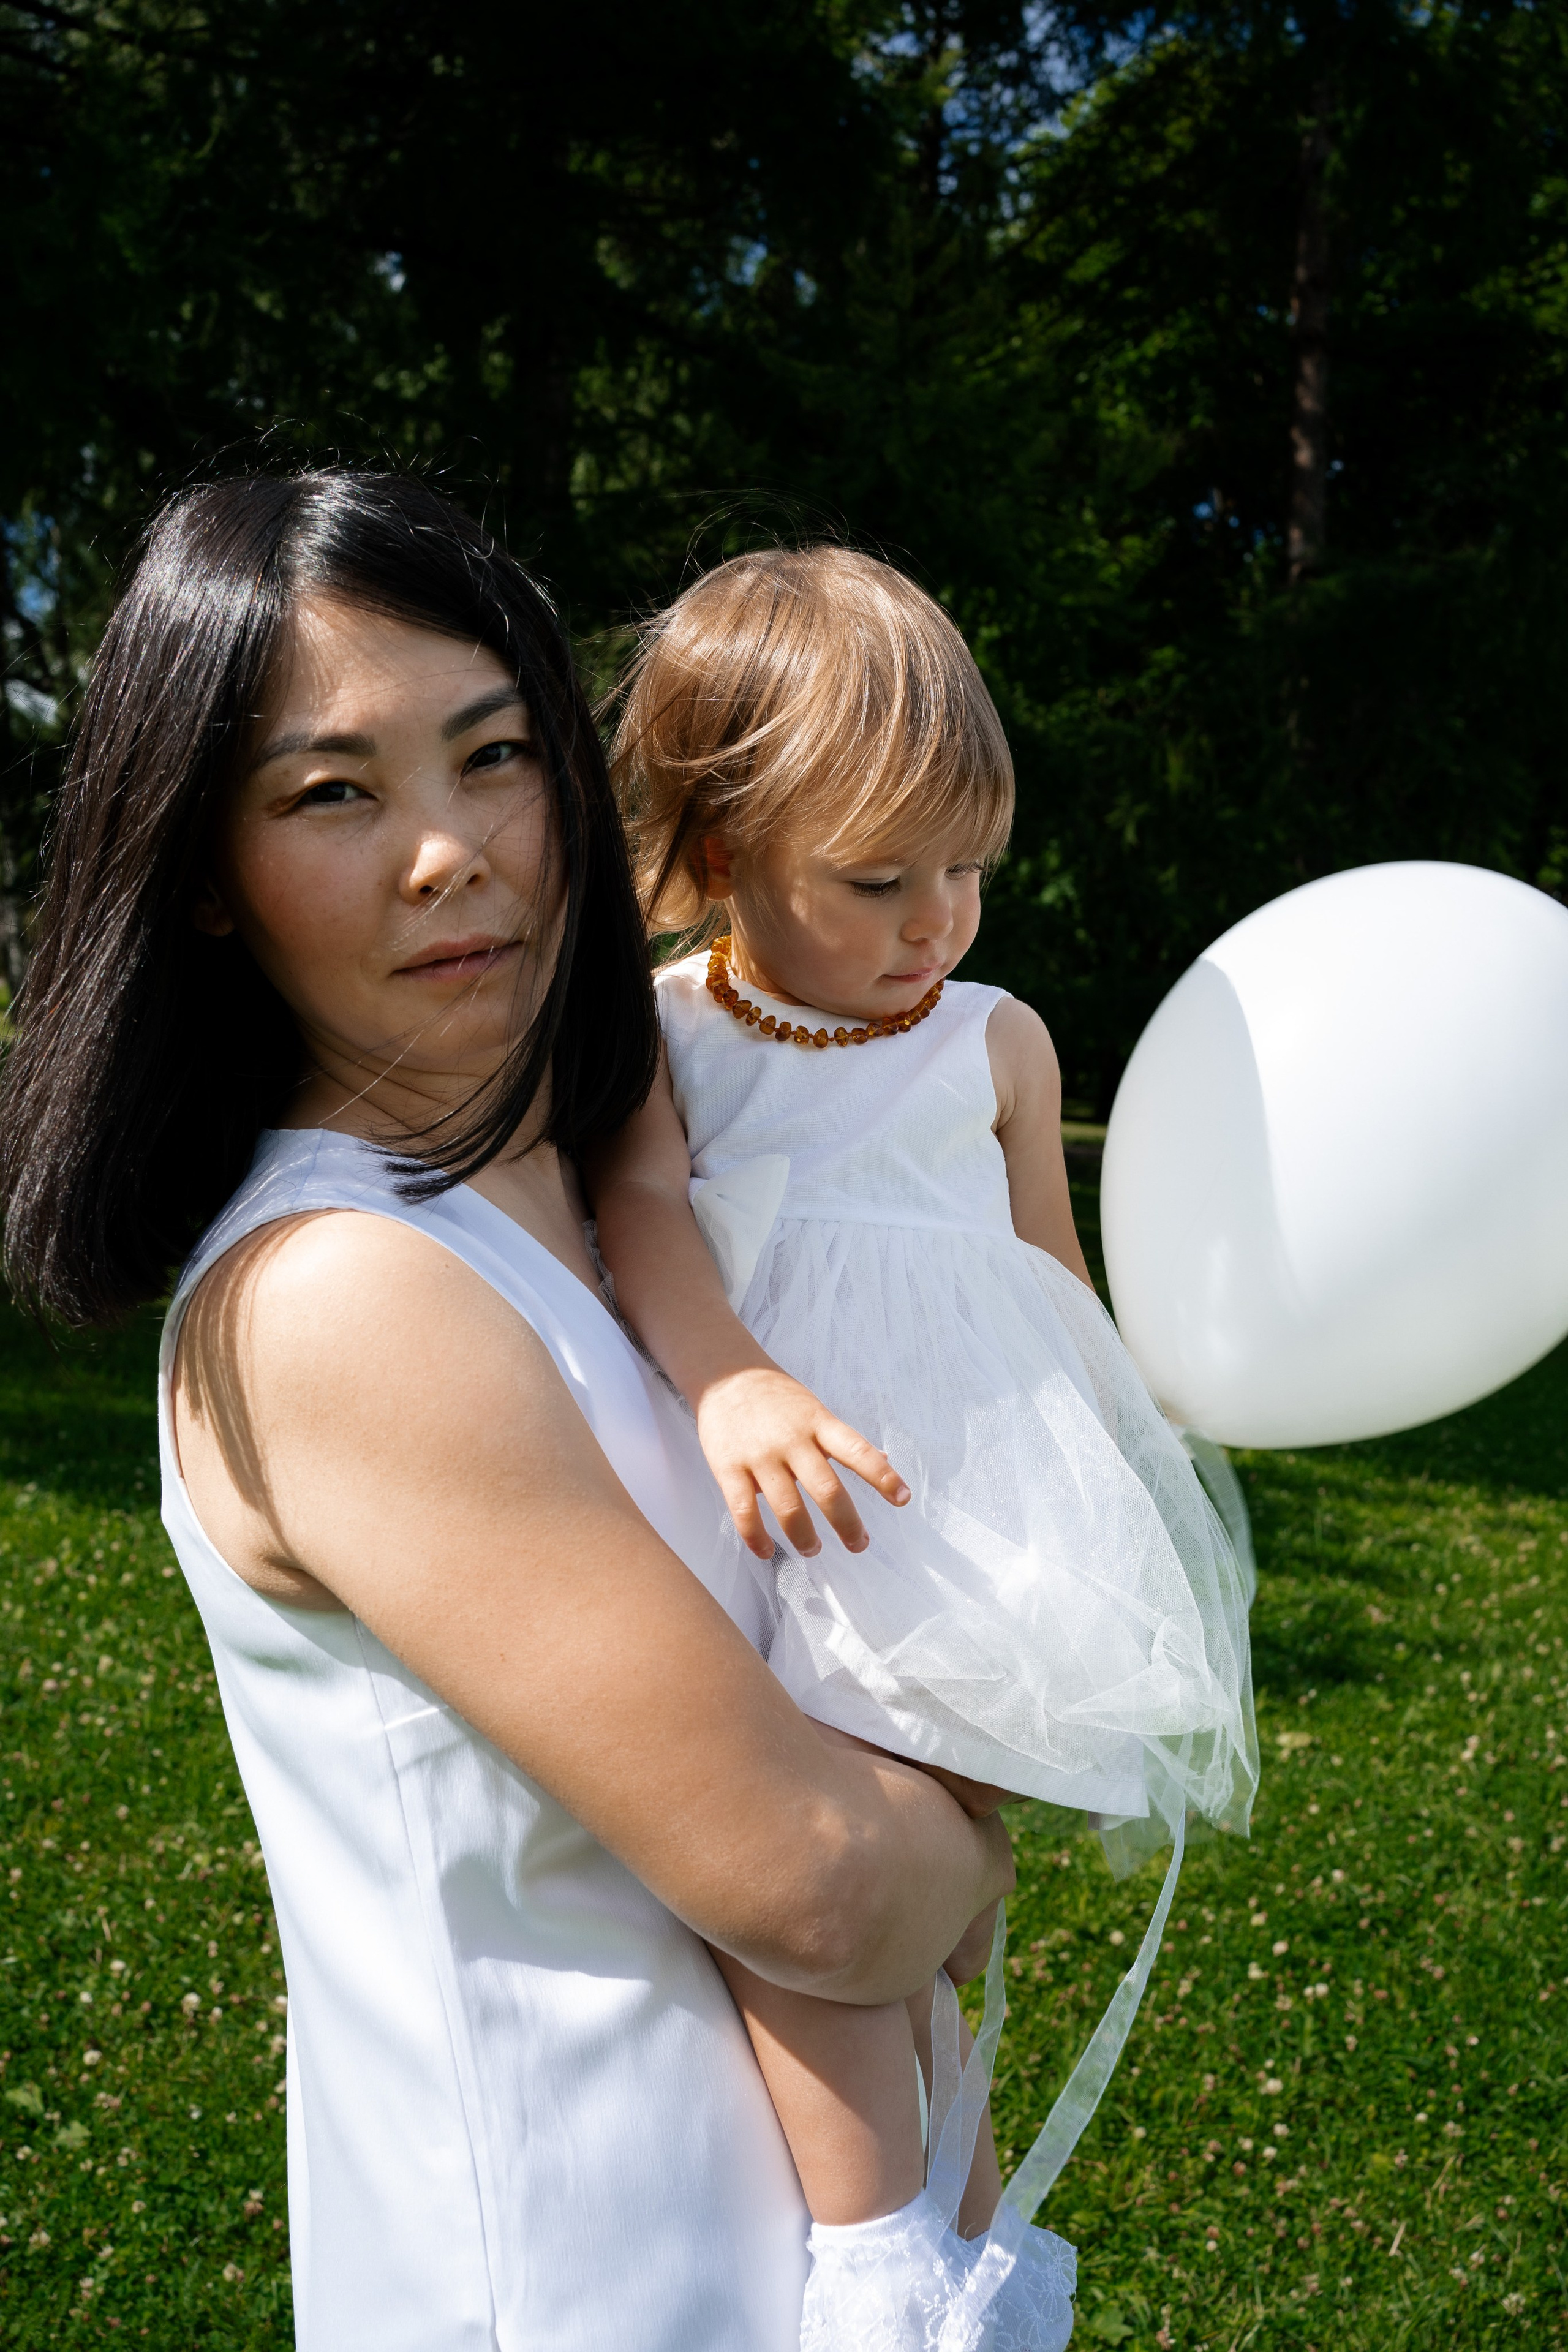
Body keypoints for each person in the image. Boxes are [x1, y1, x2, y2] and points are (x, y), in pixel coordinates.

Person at [0, 476, 1016, 2352]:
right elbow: (809, 1883)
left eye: (494, 757)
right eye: (333, 793)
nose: (448, 852)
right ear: (206, 873)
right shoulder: (342, 1295)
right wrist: (980, 1819)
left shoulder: (609, 1193)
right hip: (583, 2285)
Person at [591, 545, 1260, 2349]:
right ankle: (893, 2251)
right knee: (820, 1900)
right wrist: (732, 1380)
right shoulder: (669, 1029)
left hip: (954, 1521)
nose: (937, 923)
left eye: (967, 869)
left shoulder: (997, 1042)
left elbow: (1049, 1279)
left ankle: (933, 2253)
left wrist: (1126, 1466)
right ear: (722, 853)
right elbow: (644, 1216)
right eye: (880, 881)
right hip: (781, 1507)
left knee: (910, 1915)